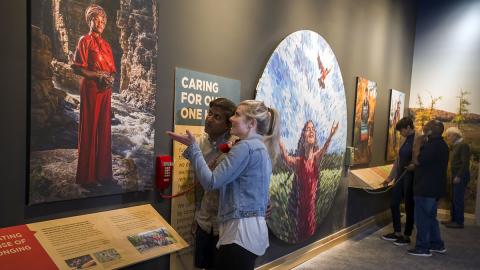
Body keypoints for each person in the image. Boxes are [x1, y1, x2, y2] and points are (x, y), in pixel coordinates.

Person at [167, 100, 280, 270]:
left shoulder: (244, 147)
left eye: (237, 115)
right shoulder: (260, 147)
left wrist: (193, 149)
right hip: (243, 230)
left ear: (251, 123)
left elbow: (211, 182)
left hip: (238, 232)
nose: (232, 119)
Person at [72, 4, 116, 187]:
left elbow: (112, 70)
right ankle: (87, 176)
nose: (100, 23)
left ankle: (103, 174)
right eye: (96, 19)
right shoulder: (85, 40)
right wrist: (98, 75)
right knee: (90, 127)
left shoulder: (106, 45)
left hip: (105, 90)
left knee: (104, 128)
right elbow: (76, 67)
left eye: (103, 20)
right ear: (90, 20)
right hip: (90, 88)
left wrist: (110, 79)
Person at [193, 98, 236, 269]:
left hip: (224, 224)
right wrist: (196, 215)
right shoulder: (199, 143)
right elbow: (196, 183)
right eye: (210, 113)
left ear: (227, 125)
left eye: (217, 117)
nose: (209, 119)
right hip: (204, 220)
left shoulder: (236, 147)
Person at [279, 120, 338, 241]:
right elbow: (284, 156)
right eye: (308, 128)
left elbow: (325, 148)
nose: (311, 130)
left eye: (313, 129)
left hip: (310, 217)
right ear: (303, 137)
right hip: (299, 217)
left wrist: (331, 135)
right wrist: (276, 134)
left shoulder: (316, 158)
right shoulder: (298, 162)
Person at [407, 120, 449, 257]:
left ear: (431, 130)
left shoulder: (432, 146)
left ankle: (422, 247)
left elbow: (417, 161)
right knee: (431, 217)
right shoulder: (442, 145)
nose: (424, 127)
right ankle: (436, 244)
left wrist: (417, 144)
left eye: (427, 125)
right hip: (434, 188)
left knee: (423, 218)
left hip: (426, 188)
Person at [381, 117, 415, 246]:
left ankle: (406, 236)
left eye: (401, 131)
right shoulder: (405, 141)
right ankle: (397, 232)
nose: (400, 134)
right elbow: (398, 160)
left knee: (409, 205)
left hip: (411, 177)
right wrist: (390, 177)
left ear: (408, 128)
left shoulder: (418, 140)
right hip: (400, 176)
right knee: (394, 203)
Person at [443, 127, 471, 229]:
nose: (448, 138)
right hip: (455, 176)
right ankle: (453, 219)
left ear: (455, 135)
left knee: (457, 199)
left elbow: (465, 163)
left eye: (449, 136)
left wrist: (458, 176)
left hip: (460, 177)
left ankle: (459, 222)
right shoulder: (456, 145)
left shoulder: (463, 145)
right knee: (453, 198)